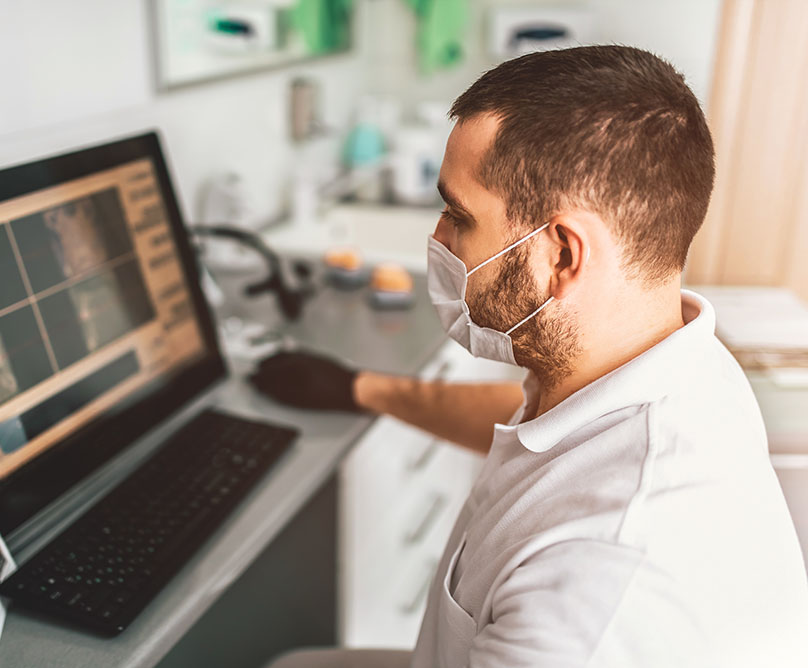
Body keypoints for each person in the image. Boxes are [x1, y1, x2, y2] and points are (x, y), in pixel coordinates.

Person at [254, 45, 808, 667]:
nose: (437, 239)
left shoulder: (590, 599)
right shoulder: (671, 356)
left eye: (457, 215)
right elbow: (542, 438)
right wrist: (364, 390)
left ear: (565, 255)